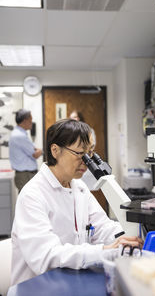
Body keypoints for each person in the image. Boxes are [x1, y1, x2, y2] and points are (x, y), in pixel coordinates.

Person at [11, 119, 143, 285]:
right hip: (38, 287)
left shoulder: (78, 187)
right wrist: (105, 250)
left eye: (90, 153)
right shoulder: (32, 194)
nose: (86, 161)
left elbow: (102, 227)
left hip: (72, 280)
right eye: (80, 153)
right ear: (55, 150)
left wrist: (129, 237)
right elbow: (46, 257)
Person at [9, 109, 43, 192]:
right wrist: (41, 151)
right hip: (25, 176)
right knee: (29, 203)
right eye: (30, 120)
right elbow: (35, 154)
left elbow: (34, 150)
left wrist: (38, 151)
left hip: (26, 175)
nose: (32, 123)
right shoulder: (19, 135)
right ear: (25, 121)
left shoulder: (19, 133)